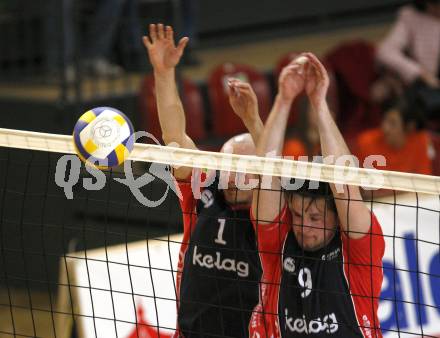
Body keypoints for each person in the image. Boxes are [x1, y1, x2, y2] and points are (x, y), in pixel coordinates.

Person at [249, 53, 385, 337]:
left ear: (337, 218)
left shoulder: (359, 250)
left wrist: (320, 104)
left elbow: (346, 183)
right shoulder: (279, 240)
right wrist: (284, 100)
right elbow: (266, 172)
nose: (303, 227)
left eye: (315, 217)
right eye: (298, 214)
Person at [143, 23, 263, 337]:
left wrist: (253, 120)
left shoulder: (271, 218)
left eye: (245, 169)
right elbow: (174, 137)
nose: (234, 176)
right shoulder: (203, 191)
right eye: (229, 165)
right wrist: (164, 73)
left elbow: (274, 167)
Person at [354, 97, 433, 175]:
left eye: (393, 123)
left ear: (409, 127)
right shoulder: (366, 141)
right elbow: (356, 181)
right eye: (385, 120)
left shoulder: (420, 140)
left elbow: (424, 180)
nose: (385, 128)